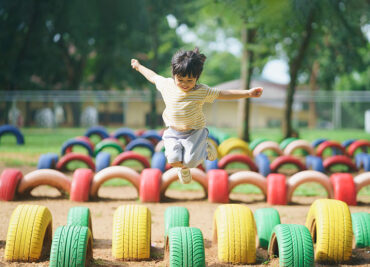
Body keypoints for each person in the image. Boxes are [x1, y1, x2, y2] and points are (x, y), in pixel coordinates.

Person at [131, 47, 263, 184]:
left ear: (197, 78)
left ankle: (205, 149)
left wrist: (247, 93)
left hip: (194, 132)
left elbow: (223, 94)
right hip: (173, 132)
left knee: (191, 162)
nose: (185, 84)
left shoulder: (201, 91)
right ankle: (183, 169)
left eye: (190, 80)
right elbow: (152, 76)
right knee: (173, 160)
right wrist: (138, 66)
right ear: (174, 74)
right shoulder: (167, 85)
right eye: (181, 80)